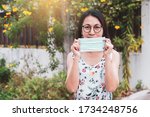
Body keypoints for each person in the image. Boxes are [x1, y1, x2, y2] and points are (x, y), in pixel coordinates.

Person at [65, 9, 120, 100]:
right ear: (81, 30)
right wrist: (76, 57)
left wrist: (106, 56)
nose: (91, 32)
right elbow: (71, 88)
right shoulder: (72, 56)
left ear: (103, 29)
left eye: (97, 27)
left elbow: (111, 88)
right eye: (87, 27)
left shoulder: (113, 55)